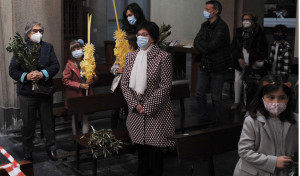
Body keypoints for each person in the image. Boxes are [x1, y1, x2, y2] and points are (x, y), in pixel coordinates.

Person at [121, 21, 175, 176]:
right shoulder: (131, 56)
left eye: (144, 35)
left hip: (156, 115)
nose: (140, 38)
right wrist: (136, 105)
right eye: (138, 35)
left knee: (156, 157)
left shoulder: (163, 57)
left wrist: (147, 107)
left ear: (153, 38)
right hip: (136, 115)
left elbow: (165, 86)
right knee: (141, 157)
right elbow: (125, 84)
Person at [9, 21, 60, 161]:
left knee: (47, 122)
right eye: (35, 31)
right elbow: (12, 70)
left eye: (40, 31)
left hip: (45, 92)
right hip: (27, 94)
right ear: (27, 34)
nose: (38, 33)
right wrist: (27, 76)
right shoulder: (21, 49)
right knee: (28, 124)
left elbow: (56, 65)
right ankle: (27, 151)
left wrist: (43, 73)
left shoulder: (48, 47)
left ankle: (51, 148)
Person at [233, 75, 298, 176]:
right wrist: (274, 162)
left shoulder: (296, 121)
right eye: (271, 97)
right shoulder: (252, 121)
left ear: (288, 98)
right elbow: (244, 151)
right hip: (255, 172)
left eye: (282, 98)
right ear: (262, 97)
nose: (276, 103)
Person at [193, 0, 231, 122]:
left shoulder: (222, 26)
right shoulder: (205, 25)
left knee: (216, 96)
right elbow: (196, 42)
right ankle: (202, 117)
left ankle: (216, 120)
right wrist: (205, 46)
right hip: (205, 64)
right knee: (199, 93)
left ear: (216, 11)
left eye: (208, 9)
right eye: (206, 9)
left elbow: (214, 45)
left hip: (218, 65)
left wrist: (204, 45)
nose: (205, 11)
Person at [231, 13, 268, 112]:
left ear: (253, 21)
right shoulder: (239, 31)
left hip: (251, 62)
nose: (245, 21)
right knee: (237, 81)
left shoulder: (259, 32)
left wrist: (254, 59)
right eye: (244, 19)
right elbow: (234, 46)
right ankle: (236, 102)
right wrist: (238, 58)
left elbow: (262, 48)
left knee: (247, 84)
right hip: (239, 61)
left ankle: (246, 104)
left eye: (248, 19)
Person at [62, 40, 96, 135]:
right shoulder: (69, 65)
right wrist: (80, 85)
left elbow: (95, 76)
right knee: (75, 118)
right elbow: (65, 80)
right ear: (71, 52)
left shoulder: (88, 62)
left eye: (78, 48)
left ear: (82, 49)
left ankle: (85, 138)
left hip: (86, 94)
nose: (77, 51)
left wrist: (92, 79)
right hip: (74, 95)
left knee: (85, 117)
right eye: (74, 49)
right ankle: (75, 138)